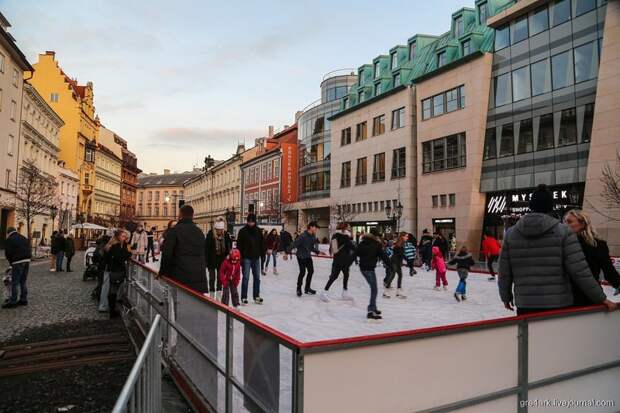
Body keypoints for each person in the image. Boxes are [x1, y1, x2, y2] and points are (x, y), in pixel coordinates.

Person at [498, 184, 617, 315]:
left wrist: (505, 296)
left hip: (525, 303)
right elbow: (580, 271)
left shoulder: (511, 233)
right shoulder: (564, 232)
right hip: (557, 302)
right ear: (550, 206)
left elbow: (504, 270)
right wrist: (601, 298)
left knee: (529, 335)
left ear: (531, 205)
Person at [564, 209, 620, 304]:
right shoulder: (561, 244)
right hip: (566, 297)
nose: (565, 225)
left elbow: (608, 270)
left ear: (582, 223)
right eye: (564, 222)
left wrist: (618, 284)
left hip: (589, 296)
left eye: (569, 222)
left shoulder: (598, 245)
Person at [159, 205, 208, 293]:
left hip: (179, 277)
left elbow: (166, 255)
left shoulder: (174, 231)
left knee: (178, 304)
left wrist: (162, 273)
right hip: (198, 278)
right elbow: (205, 254)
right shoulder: (199, 232)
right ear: (193, 215)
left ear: (180, 214)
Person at [355, 228, 389, 320]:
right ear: (376, 236)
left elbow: (355, 253)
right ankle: (371, 311)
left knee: (373, 289)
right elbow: (383, 256)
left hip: (363, 269)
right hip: (369, 269)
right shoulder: (376, 244)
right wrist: (390, 265)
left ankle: (373, 307)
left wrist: (348, 263)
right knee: (374, 289)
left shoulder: (362, 243)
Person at [320, 223, 356, 302]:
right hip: (343, 260)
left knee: (344, 275)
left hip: (337, 260)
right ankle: (324, 292)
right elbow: (353, 247)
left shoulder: (335, 235)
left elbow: (334, 249)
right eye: (348, 228)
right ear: (345, 229)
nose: (349, 229)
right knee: (335, 276)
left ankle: (344, 292)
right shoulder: (345, 237)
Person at [102, 229, 132, 318]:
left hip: (113, 271)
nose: (125, 238)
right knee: (113, 291)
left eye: (125, 236)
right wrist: (129, 254)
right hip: (117, 271)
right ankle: (112, 312)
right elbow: (122, 257)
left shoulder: (113, 245)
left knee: (113, 291)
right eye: (123, 236)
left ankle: (112, 310)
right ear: (118, 237)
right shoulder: (116, 246)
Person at [236, 213, 264, 305]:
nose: (251, 223)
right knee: (246, 277)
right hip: (246, 258)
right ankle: (244, 297)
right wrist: (241, 257)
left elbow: (262, 243)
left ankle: (256, 296)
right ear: (247, 221)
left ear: (255, 222)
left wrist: (262, 254)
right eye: (249, 221)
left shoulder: (258, 231)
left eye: (252, 221)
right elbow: (239, 245)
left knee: (257, 278)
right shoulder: (243, 231)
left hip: (256, 257)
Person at [292, 222, 324, 297]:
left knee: (311, 271)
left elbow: (311, 247)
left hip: (307, 256)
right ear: (311, 227)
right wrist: (286, 252)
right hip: (301, 256)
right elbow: (294, 244)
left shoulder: (313, 236)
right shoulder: (303, 236)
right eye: (315, 227)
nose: (316, 229)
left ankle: (307, 288)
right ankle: (298, 289)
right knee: (302, 272)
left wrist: (318, 252)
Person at [2, 227, 31, 308]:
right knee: (23, 281)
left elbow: (7, 253)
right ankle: (23, 299)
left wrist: (11, 263)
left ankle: (13, 301)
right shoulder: (23, 237)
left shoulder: (10, 239)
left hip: (17, 261)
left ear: (8, 233)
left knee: (15, 282)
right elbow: (29, 247)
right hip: (27, 260)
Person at [205, 217, 232, 294]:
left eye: (220, 230)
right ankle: (212, 291)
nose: (219, 231)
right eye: (217, 230)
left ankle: (219, 290)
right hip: (212, 260)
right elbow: (206, 248)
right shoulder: (210, 234)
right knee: (212, 277)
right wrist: (206, 261)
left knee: (220, 277)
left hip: (221, 260)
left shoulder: (226, 235)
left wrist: (228, 256)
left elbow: (228, 247)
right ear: (215, 229)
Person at [384, 232, 408, 299]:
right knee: (393, 275)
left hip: (397, 262)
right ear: (402, 237)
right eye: (406, 236)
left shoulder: (402, 244)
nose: (407, 238)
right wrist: (408, 260)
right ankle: (386, 292)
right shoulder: (398, 245)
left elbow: (401, 255)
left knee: (400, 275)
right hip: (394, 262)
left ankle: (398, 292)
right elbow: (401, 254)